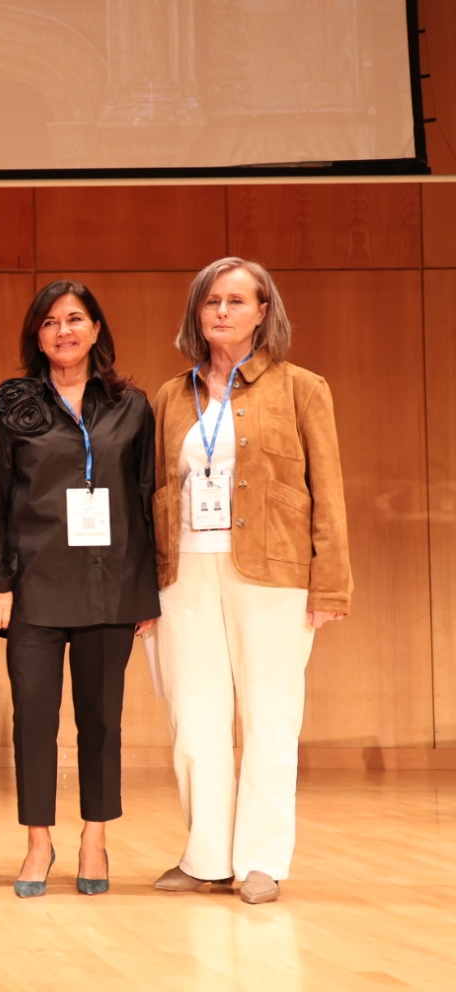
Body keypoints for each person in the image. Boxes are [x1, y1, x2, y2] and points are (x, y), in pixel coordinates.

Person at [149, 257, 349, 905]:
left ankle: (261, 858)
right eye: (211, 302)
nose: (223, 312)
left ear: (265, 312)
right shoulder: (169, 397)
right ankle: (207, 855)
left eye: (237, 301)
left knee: (270, 717)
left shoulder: (302, 389)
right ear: (196, 314)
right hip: (184, 574)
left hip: (275, 575)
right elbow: (152, 491)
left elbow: (329, 493)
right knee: (195, 719)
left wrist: (331, 586)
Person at [0, 280, 158, 898]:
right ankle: (39, 842)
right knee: (35, 720)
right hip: (36, 587)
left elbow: (153, 500)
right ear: (36, 335)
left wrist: (150, 592)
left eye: (75, 319)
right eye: (50, 322)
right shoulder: (15, 405)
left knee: (102, 721)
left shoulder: (133, 406)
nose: (64, 331)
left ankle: (95, 837)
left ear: (97, 329)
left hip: (112, 584)